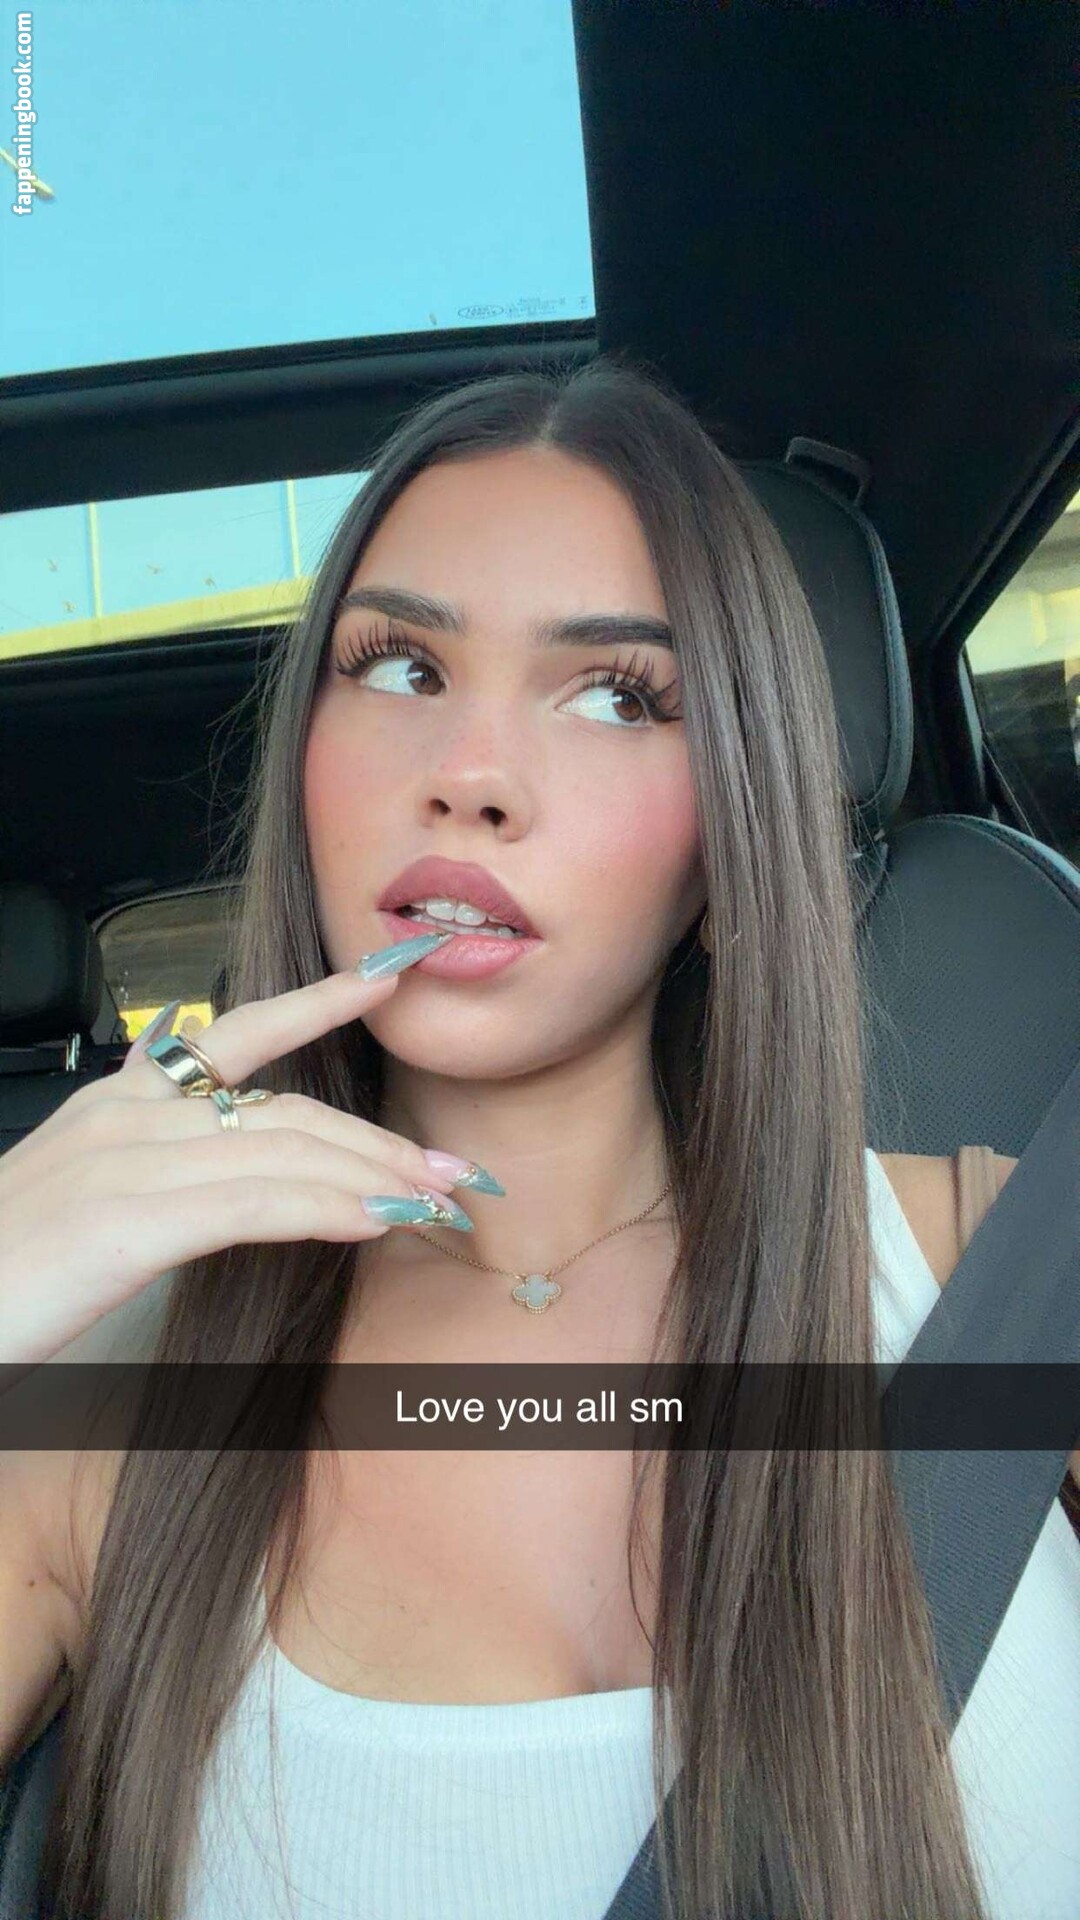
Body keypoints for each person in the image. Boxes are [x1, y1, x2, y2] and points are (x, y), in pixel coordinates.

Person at [1, 357, 1077, 1920]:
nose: (471, 777)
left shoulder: (999, 1265)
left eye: (619, 696)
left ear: (731, 833)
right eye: (400, 667)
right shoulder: (102, 1406)